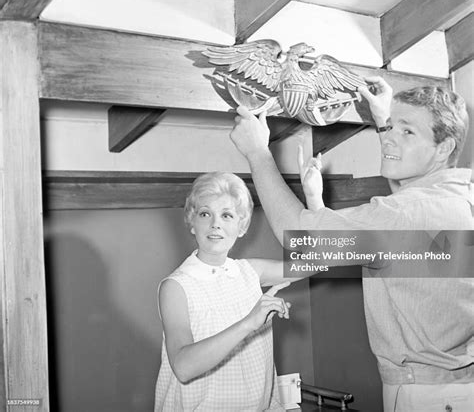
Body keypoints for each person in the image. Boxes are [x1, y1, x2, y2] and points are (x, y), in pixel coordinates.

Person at [230, 77, 474, 411]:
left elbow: (301, 239)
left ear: (443, 148)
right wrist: (386, 121)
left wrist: (257, 152)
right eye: (392, 129)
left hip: (424, 396)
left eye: (408, 132)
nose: (390, 138)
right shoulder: (460, 198)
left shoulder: (403, 215)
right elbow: (406, 211)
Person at [155, 172, 312, 411]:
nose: (215, 223)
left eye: (227, 215)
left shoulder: (250, 272)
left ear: (241, 227)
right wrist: (249, 322)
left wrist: (313, 197)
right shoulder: (176, 287)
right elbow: (183, 368)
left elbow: (319, 262)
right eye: (205, 213)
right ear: (192, 222)